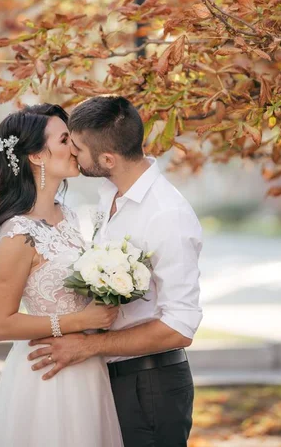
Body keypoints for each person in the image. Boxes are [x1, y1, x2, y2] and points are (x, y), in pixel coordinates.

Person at [28, 96, 203, 447]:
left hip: (150, 387)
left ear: (108, 159)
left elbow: (180, 326)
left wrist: (91, 346)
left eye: (76, 147)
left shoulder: (167, 215)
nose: (71, 154)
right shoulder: (109, 191)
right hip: (108, 379)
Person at [0, 103, 123, 447]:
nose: (76, 147)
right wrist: (77, 321)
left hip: (88, 367)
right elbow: (0, 325)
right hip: (47, 375)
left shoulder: (68, 215)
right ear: (38, 156)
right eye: (66, 139)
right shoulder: (17, 234)